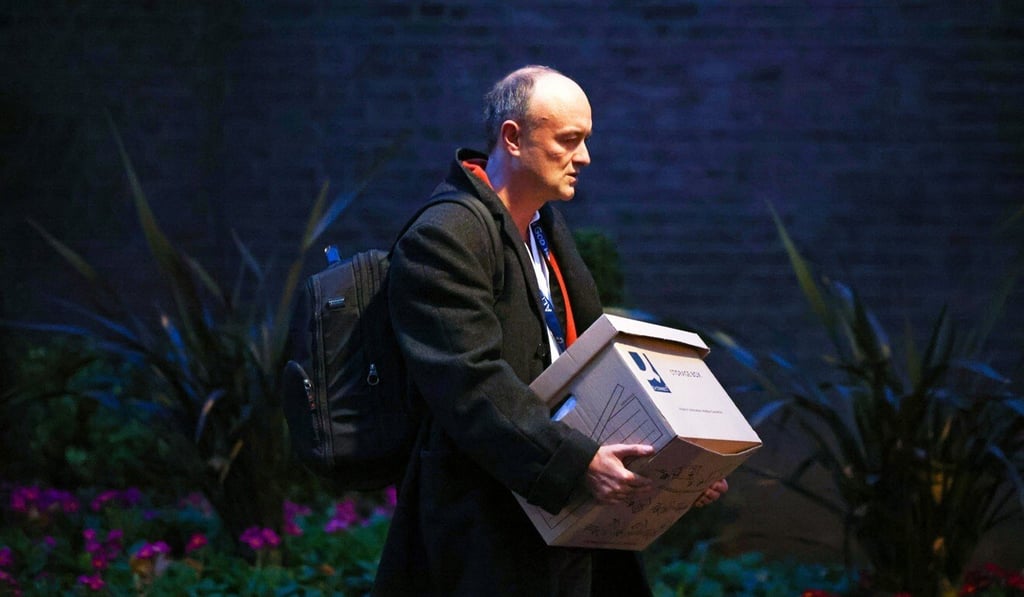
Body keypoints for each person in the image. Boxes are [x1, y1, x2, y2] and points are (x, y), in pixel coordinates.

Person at [374, 65, 728, 596]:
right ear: (513, 138)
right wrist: (578, 461)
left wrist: (678, 464)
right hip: (486, 528)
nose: (584, 157)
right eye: (569, 140)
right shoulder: (444, 237)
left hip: (560, 516)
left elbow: (596, 362)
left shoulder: (544, 227)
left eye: (585, 140)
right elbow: (469, 386)